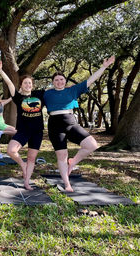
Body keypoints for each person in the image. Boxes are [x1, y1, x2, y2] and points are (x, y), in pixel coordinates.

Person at [44, 56, 115, 192]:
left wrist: (104, 67)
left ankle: (73, 162)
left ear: (65, 81)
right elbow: (27, 94)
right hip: (55, 126)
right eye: (56, 80)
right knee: (61, 155)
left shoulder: (73, 90)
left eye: (61, 79)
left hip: (70, 123)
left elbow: (91, 80)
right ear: (53, 82)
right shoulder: (47, 94)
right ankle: (67, 184)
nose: (59, 82)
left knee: (92, 145)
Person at [0, 58, 45, 190]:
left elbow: (57, 91)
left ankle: (27, 182)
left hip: (37, 132)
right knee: (11, 150)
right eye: (25, 83)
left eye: (30, 83)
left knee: (32, 158)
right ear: (21, 85)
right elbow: (10, 84)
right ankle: (22, 165)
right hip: (23, 131)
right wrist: (1, 70)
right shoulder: (18, 98)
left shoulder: (39, 95)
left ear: (32, 85)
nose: (28, 85)